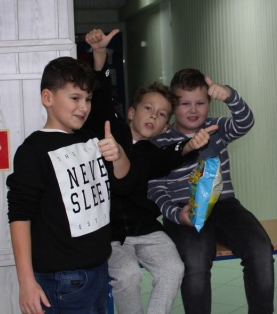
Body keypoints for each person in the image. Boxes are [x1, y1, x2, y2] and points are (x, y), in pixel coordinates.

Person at [85, 29, 216, 314]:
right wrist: (100, 55)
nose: (153, 116)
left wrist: (189, 145)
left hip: (147, 230)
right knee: (128, 275)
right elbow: (101, 97)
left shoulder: (154, 153)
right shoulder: (112, 131)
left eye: (161, 115)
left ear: (164, 127)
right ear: (131, 113)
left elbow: (170, 156)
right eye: (148, 108)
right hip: (108, 234)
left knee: (173, 268)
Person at [7, 56, 130, 314]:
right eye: (75, 98)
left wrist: (118, 154)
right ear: (48, 97)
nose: (83, 107)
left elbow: (123, 178)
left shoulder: (90, 139)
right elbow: (20, 216)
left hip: (99, 269)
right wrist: (26, 282)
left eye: (88, 99)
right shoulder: (33, 150)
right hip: (62, 280)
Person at [148, 68, 274, 314]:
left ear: (209, 103)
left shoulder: (217, 128)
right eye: (185, 103)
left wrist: (229, 96)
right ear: (173, 106)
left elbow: (245, 122)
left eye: (200, 103)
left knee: (260, 248)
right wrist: (176, 214)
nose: (193, 110)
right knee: (195, 260)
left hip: (225, 206)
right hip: (183, 210)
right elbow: (155, 188)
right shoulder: (159, 141)